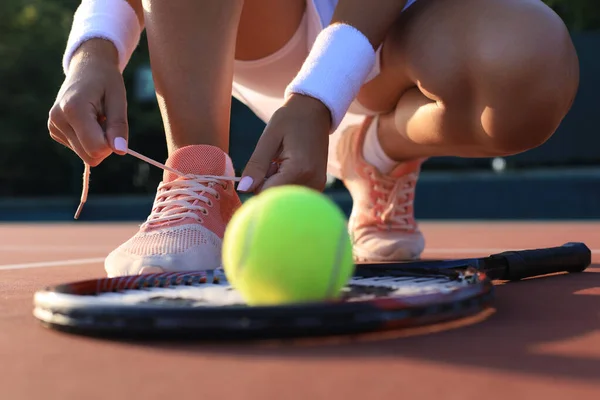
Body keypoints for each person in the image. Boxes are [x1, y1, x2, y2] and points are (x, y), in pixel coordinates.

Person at [48, 0, 579, 277]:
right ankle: (200, 177)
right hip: (267, 27)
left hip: (400, 26)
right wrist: (95, 46)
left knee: (530, 61)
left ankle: (375, 151)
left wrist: (319, 99)